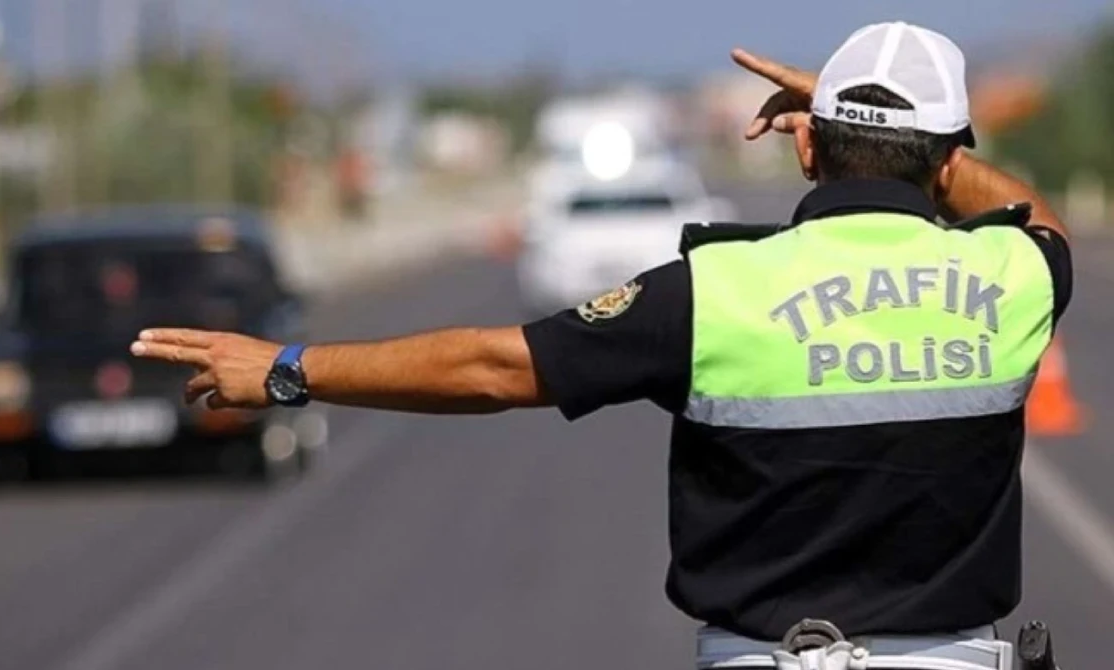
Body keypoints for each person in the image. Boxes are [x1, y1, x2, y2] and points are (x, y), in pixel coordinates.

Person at [131, 22, 1071, 670]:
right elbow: (1034, 218)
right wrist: (898, 137)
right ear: (948, 161)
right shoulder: (1014, 279)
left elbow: (492, 367)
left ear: (806, 149)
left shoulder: (711, 293)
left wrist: (289, 369)